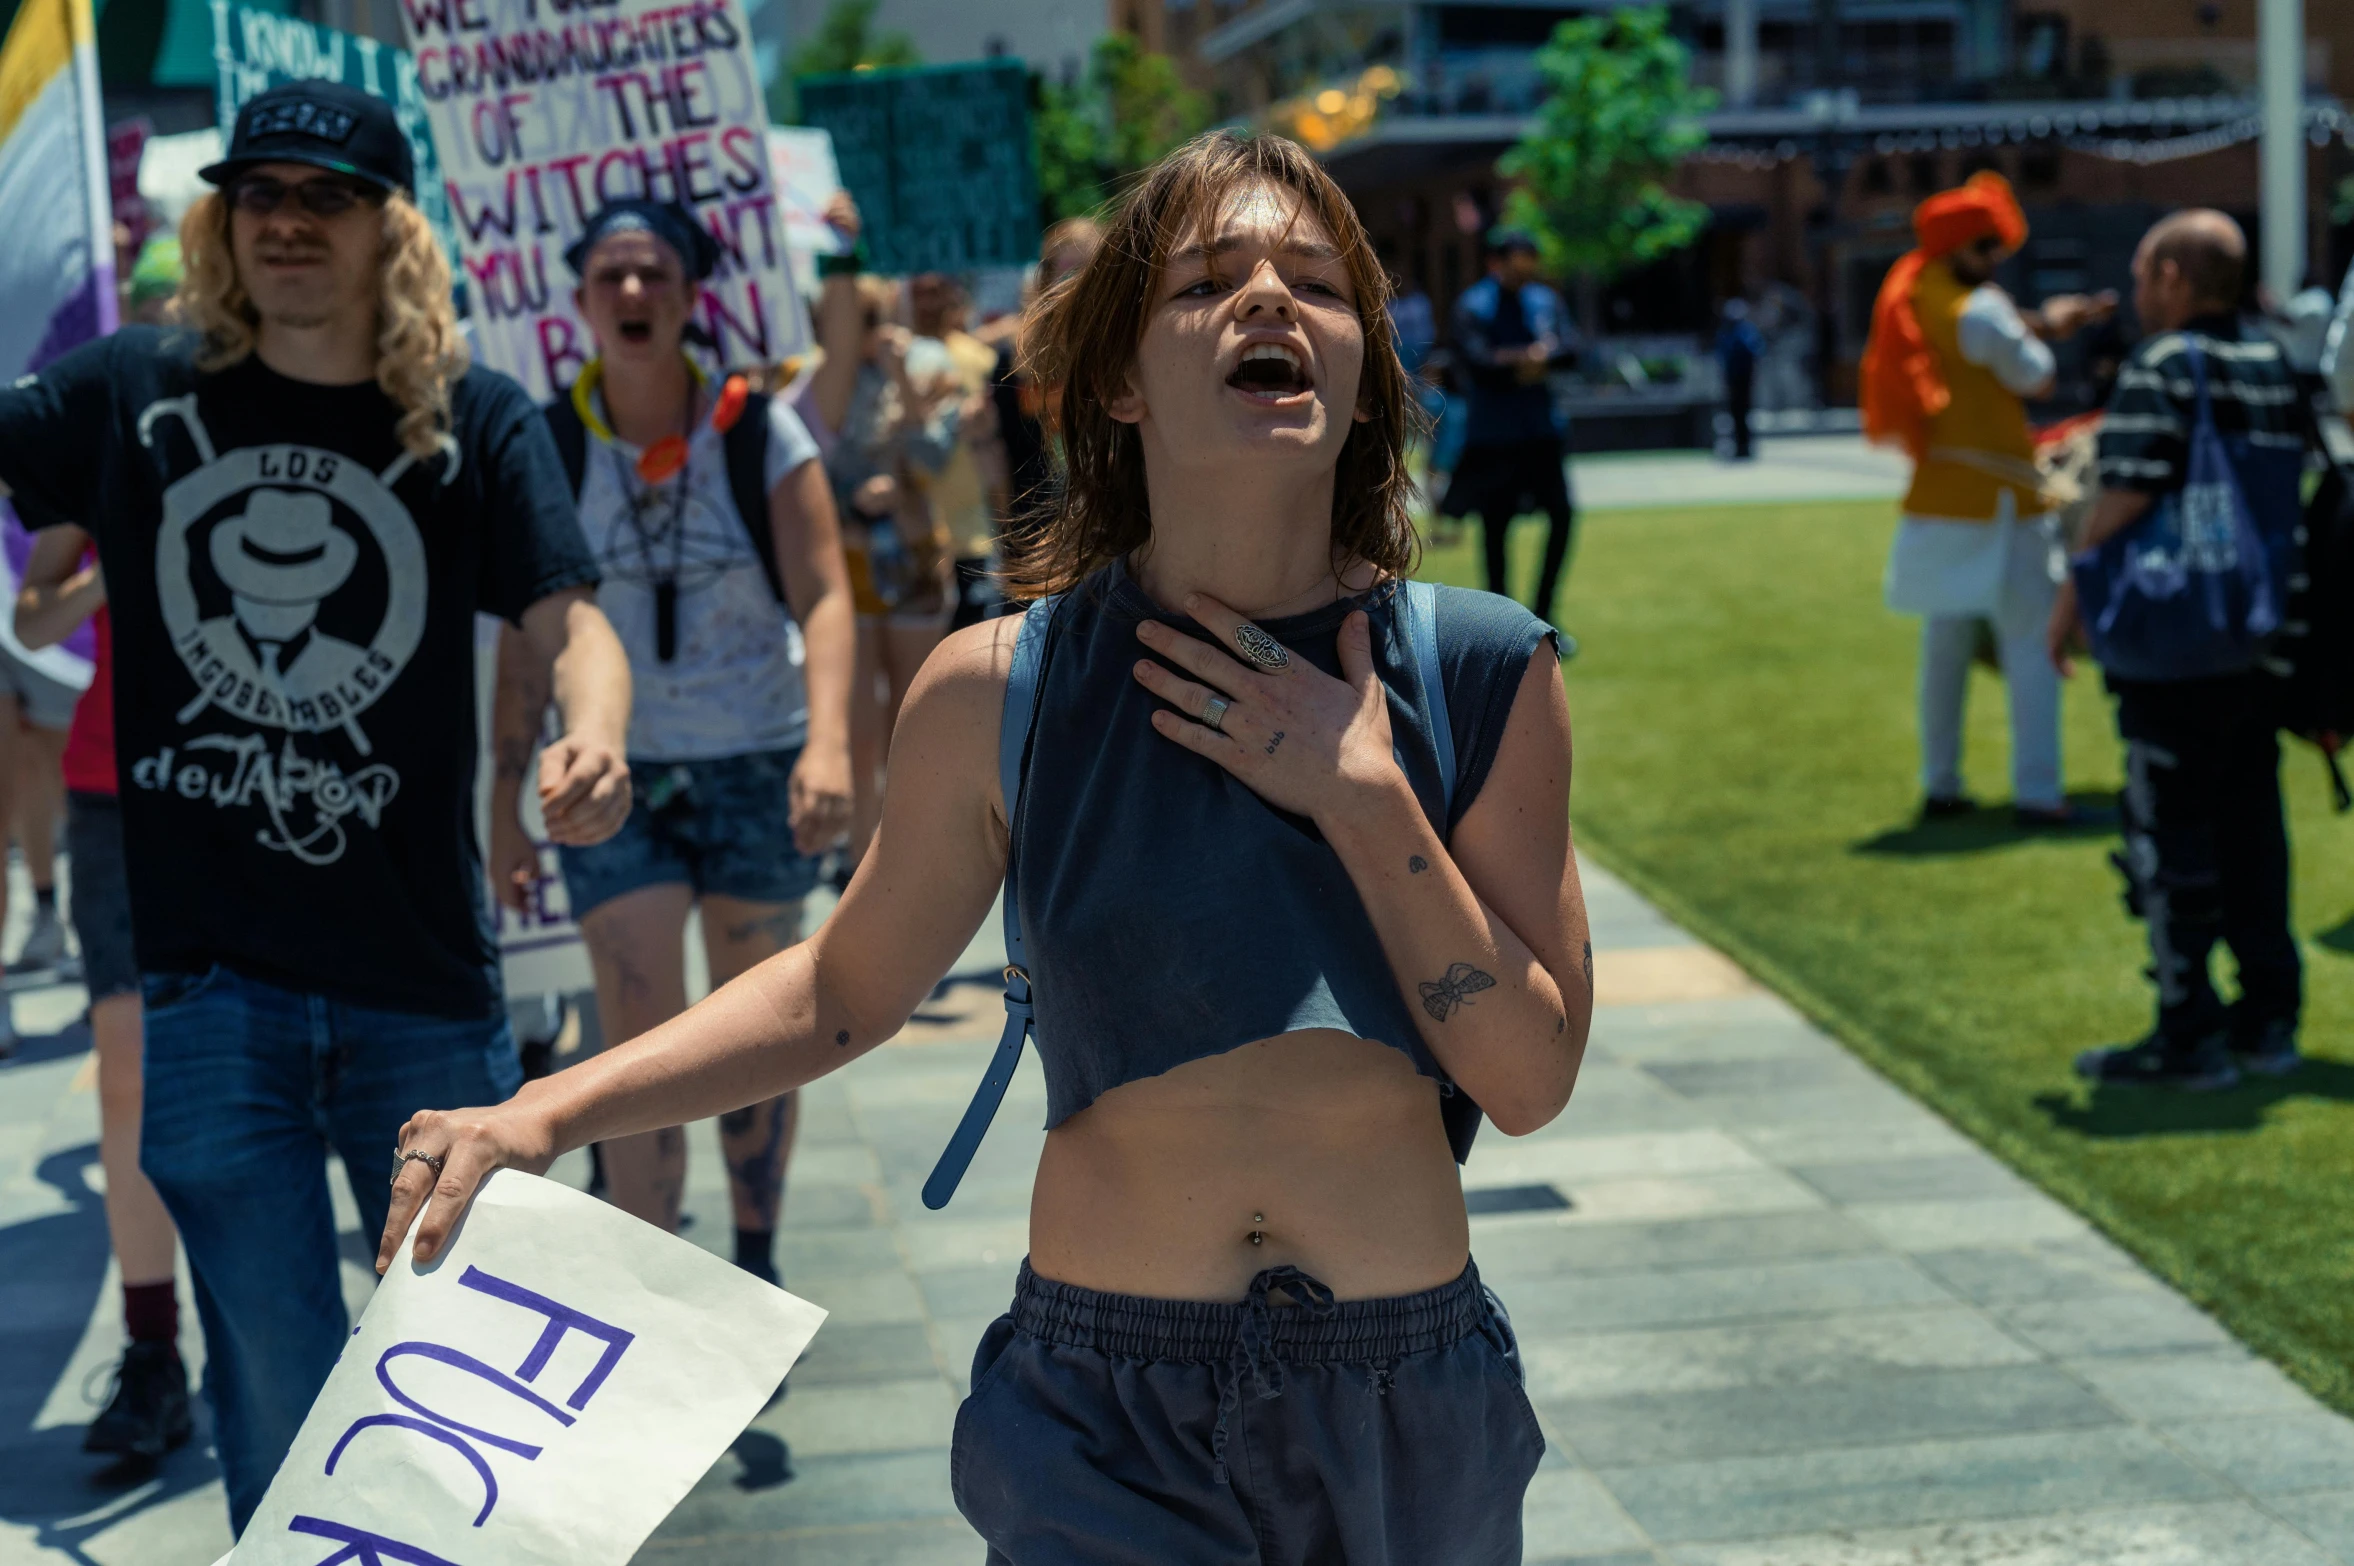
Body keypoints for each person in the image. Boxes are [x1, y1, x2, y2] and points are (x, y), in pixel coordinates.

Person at [383, 130, 1593, 1563]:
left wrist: (1359, 795)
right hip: (1102, 1408)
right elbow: (837, 990)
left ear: (1361, 370)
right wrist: (542, 1112)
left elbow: (1525, 1078)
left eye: (1316, 284)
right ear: (1121, 385)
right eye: (1209, 277)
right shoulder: (998, 687)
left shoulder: (1480, 668)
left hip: (1405, 1396)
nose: (1270, 298)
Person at [0, 80, 633, 1533]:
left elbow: (568, 613)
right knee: (278, 1398)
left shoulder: (468, 417)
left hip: (418, 988)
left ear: (388, 227)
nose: (287, 221)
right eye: (260, 195)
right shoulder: (132, 392)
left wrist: (594, 731)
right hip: (212, 996)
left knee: (453, 1385)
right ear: (224, 223)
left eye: (325, 196)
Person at [519, 199, 856, 1278]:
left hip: (759, 758)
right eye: (609, 275)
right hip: (617, 771)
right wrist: (500, 784)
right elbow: (523, 625)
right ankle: (651, 1284)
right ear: (576, 300)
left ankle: (753, 1258)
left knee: (754, 1041)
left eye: (653, 273)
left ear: (689, 295)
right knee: (634, 1037)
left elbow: (825, 595)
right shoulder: (549, 438)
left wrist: (830, 747)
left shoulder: (757, 425)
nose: (630, 293)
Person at [2053, 210, 2305, 1091]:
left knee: (2171, 827)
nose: (2134, 290)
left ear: (2171, 273)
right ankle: (2269, 1015)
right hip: (2260, 630)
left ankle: (2187, 1027)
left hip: (2173, 638)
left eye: (2142, 271)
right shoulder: (2273, 360)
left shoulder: (2164, 366)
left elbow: (2120, 500)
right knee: (2253, 825)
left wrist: (2066, 601)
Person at [1862, 171, 2111, 827]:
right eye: (1983, 248)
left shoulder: (1913, 290)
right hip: (2001, 501)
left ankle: (1940, 782)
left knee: (1943, 648)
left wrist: (2040, 320)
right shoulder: (1983, 308)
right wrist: (2044, 328)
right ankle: (2039, 792)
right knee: (2031, 643)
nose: (1994, 260)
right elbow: (2035, 374)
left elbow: (1984, 338)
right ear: (1957, 251)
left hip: (1939, 498)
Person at [16, 528, 190, 1460]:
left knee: (303, 1058)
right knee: (125, 1073)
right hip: (112, 788)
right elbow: (33, 619)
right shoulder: (99, 424)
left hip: (259, 787)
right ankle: (153, 1349)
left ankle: (323, 1343)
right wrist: (105, 574)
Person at [828, 275, 961, 870]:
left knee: (910, 720)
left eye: (870, 317)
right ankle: (861, 863)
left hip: (910, 563)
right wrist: (851, 500)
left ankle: (910, 862)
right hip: (847, 563)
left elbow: (934, 455)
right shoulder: (817, 384)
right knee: (859, 728)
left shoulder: (929, 367)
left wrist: (902, 375)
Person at [1439, 229, 1580, 630]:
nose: (1523, 271)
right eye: (1515, 262)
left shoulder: (1545, 301)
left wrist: (1529, 361)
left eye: (1528, 262)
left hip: (1541, 430)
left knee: (1563, 515)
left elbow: (1572, 350)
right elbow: (1475, 363)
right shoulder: (1473, 305)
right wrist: (1531, 360)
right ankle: (1503, 626)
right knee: (1495, 526)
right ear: (1495, 263)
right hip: (1494, 437)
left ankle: (1544, 614)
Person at [988, 217, 1105, 534]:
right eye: (1064, 269)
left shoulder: (1123, 348)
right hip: (1039, 524)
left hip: (1110, 518)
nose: (1073, 282)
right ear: (1046, 276)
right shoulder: (1014, 356)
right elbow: (1003, 449)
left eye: (1086, 270)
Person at [911, 271, 1011, 629]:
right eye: (920, 292)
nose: (929, 302)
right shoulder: (897, 361)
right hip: (917, 546)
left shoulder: (981, 360)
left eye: (937, 291)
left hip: (974, 536)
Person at [1717, 297, 1765, 461]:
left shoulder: (1744, 331)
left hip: (1743, 380)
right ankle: (1739, 446)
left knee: (1743, 414)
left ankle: (1745, 447)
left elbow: (1754, 354)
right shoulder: (1727, 332)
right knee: (1736, 415)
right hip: (1732, 379)